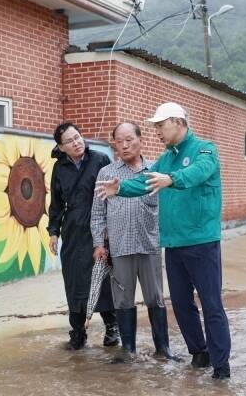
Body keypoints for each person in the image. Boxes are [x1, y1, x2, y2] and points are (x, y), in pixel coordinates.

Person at [96, 102, 232, 380]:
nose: (156, 130)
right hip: (173, 244)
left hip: (202, 241)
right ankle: (199, 352)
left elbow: (199, 172)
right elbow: (145, 182)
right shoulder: (166, 157)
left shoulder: (205, 149)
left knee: (211, 304)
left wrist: (172, 179)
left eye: (160, 125)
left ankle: (221, 366)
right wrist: (120, 188)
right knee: (181, 304)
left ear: (177, 122)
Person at [91, 122, 179, 363]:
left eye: (129, 139)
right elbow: (98, 213)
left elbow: (170, 208)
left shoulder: (156, 171)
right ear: (114, 145)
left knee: (156, 297)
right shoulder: (107, 174)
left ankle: (163, 349)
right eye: (119, 141)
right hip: (119, 248)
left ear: (141, 140)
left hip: (150, 245)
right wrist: (99, 244)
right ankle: (128, 350)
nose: (125, 145)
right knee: (122, 299)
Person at [47, 122, 119, 350]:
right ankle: (78, 331)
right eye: (69, 141)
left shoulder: (100, 159)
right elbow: (57, 204)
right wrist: (54, 232)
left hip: (100, 226)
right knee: (75, 280)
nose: (76, 143)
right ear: (61, 146)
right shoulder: (60, 169)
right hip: (74, 230)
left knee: (103, 277)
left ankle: (112, 327)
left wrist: (111, 225)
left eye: (77, 137)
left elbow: (115, 195)